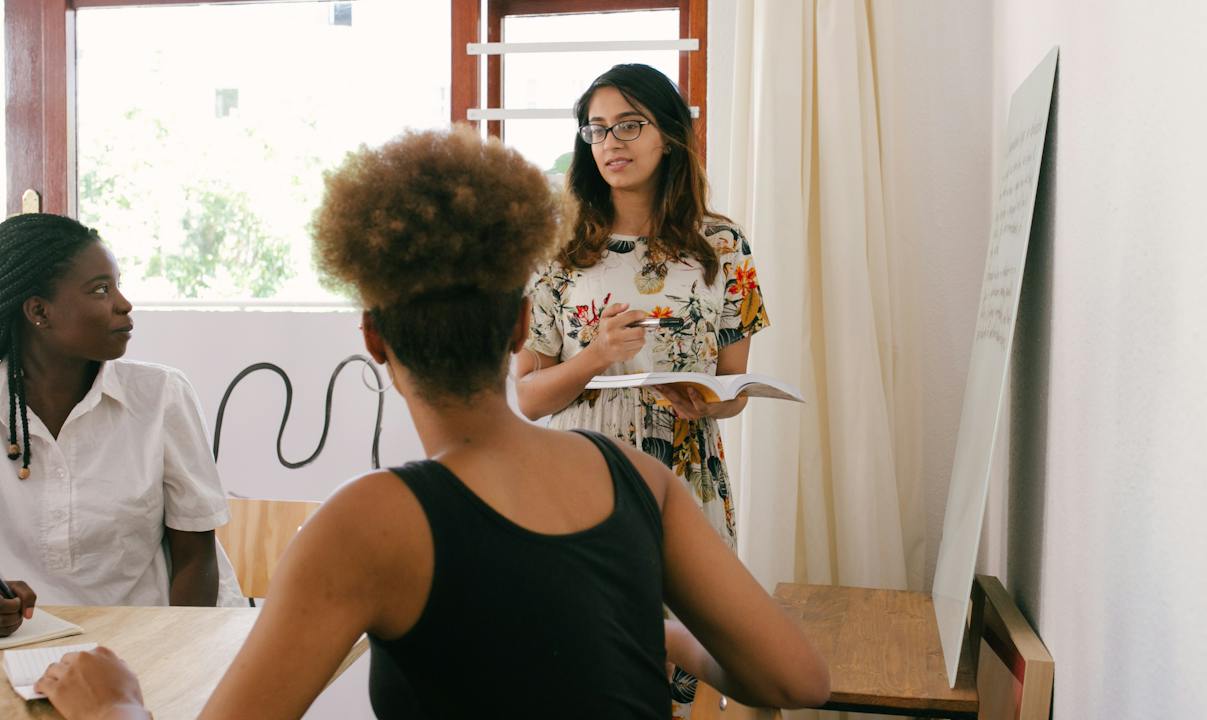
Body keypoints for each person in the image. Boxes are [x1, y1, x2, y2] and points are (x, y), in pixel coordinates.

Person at [34, 127, 828, 719]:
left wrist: (113, 706)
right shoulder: (636, 478)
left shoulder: (368, 522)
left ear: (374, 339)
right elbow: (798, 681)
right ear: (522, 328)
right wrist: (672, 641)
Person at [513, 62, 769, 709]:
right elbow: (529, 396)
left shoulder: (722, 244)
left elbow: (734, 388)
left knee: (679, 681)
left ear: (670, 135)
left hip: (687, 477)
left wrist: (710, 399)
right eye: (597, 129)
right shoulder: (558, 250)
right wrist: (595, 356)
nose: (611, 143)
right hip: (579, 481)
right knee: (581, 678)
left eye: (630, 124)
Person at [0, 213, 236, 609]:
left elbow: (196, 560)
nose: (124, 305)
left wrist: (172, 663)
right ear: (39, 312)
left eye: (117, 286)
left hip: (150, 643)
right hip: (22, 648)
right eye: (100, 290)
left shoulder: (161, 397)